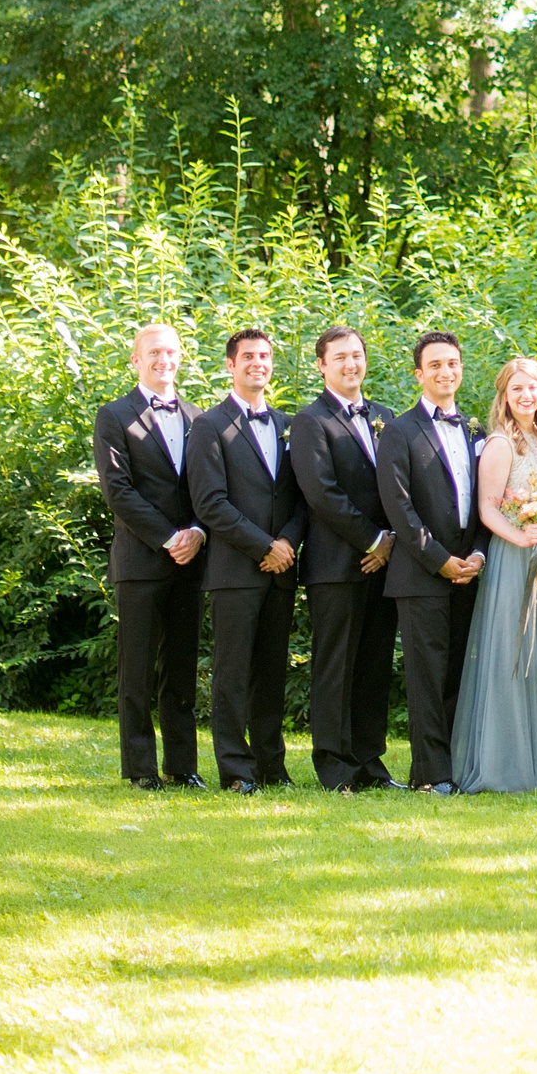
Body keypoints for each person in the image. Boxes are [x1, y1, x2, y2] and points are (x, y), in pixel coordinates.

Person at [186, 326, 305, 794]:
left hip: (282, 569)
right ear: (230, 366)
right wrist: (264, 547)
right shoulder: (209, 426)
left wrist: (288, 544)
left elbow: (300, 499)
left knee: (271, 673)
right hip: (236, 570)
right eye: (248, 357)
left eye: (265, 356)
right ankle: (236, 769)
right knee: (232, 673)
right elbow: (210, 503)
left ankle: (271, 766)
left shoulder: (288, 424)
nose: (258, 363)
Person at [94, 322, 207, 790]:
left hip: (193, 559)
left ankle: (182, 766)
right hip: (142, 560)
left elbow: (208, 490)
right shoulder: (115, 416)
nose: (164, 360)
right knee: (137, 668)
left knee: (181, 666)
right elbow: (118, 491)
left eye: (172, 352)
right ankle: (140, 768)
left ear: (181, 358)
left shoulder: (200, 417)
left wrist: (197, 532)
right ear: (135, 360)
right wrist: (169, 537)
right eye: (154, 353)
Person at [290, 325, 400, 794]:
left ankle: (370, 762)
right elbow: (322, 494)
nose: (351, 364)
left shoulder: (386, 416)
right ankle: (334, 765)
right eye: (340, 358)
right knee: (335, 666)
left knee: (374, 665)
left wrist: (391, 541)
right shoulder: (310, 422)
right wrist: (373, 540)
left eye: (357, 355)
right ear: (322, 365)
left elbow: (400, 486)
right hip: (337, 564)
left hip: (387, 561)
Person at [378, 331, 487, 794]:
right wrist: (440, 560)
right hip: (421, 573)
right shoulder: (399, 431)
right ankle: (430, 774)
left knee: (459, 672)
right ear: (420, 373)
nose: (446, 372)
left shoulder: (476, 430)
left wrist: (478, 551)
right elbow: (399, 508)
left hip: (470, 571)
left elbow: (487, 500)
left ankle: (453, 768)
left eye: (453, 363)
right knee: (427, 675)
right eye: (436, 365)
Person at [454, 357, 537, 793]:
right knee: (514, 653)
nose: (526, 396)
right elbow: (487, 508)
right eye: (517, 389)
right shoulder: (501, 443)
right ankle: (504, 764)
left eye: (533, 388)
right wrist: (519, 538)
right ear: (504, 395)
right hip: (517, 555)